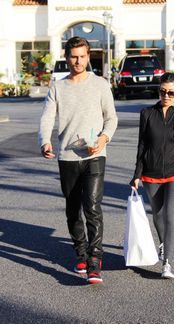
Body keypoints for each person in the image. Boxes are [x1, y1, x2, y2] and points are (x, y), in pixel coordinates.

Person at [39, 37, 118, 284]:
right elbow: (46, 118)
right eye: (74, 56)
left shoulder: (101, 84)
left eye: (83, 56)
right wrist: (45, 140)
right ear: (67, 58)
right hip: (67, 156)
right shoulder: (57, 88)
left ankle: (95, 261)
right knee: (73, 208)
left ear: (88, 56)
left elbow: (111, 118)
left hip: (95, 154)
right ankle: (81, 253)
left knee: (92, 206)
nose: (78, 61)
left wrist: (104, 139)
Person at [130, 72, 174, 279]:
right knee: (157, 216)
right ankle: (163, 243)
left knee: (170, 215)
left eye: (170, 92)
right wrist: (136, 175)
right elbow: (142, 145)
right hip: (151, 173)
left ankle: (167, 262)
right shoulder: (147, 113)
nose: (166, 95)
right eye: (162, 91)